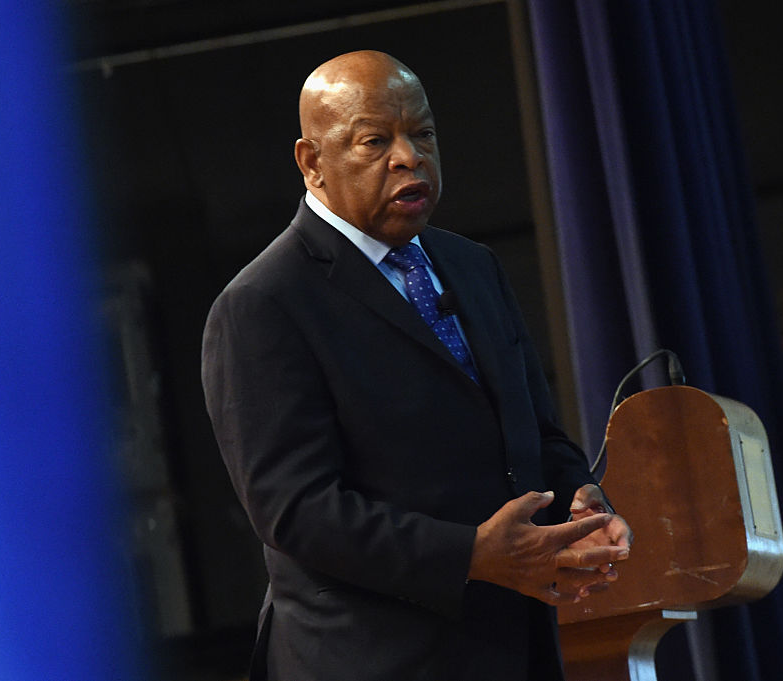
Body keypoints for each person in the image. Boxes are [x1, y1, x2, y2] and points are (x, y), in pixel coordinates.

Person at [201, 50, 632, 681]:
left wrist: (581, 503)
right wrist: (469, 555)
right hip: (367, 657)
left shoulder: (472, 267)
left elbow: (535, 433)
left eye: (422, 134)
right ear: (312, 162)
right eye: (375, 140)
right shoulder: (263, 304)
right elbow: (296, 511)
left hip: (514, 646)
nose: (409, 157)